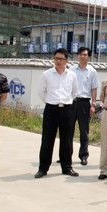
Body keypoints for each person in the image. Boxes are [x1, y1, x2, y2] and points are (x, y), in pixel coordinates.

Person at [35, 49, 79, 178]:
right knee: (47, 140)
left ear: (66, 61)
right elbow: (41, 92)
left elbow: (74, 92)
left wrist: (65, 102)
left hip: (67, 110)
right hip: (51, 109)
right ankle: (43, 168)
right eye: (56, 58)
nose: (58, 61)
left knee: (67, 140)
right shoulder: (46, 74)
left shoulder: (72, 75)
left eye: (61, 59)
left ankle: (67, 167)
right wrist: (51, 102)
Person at [70, 47, 99, 165]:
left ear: (89, 57)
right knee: (68, 130)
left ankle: (83, 155)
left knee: (84, 131)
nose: (82, 56)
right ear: (77, 55)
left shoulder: (92, 71)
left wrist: (93, 105)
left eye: (85, 55)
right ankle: (66, 155)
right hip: (71, 103)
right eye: (80, 54)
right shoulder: (71, 70)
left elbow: (94, 89)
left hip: (84, 104)